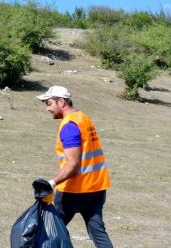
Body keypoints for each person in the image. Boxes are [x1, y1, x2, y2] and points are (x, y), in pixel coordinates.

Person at [36, 85, 113, 248]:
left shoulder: (69, 126)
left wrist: (51, 183)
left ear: (61, 102)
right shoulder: (83, 118)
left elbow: (73, 164)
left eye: (49, 103)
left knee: (50, 231)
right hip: (97, 187)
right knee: (98, 233)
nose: (47, 109)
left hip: (74, 191)